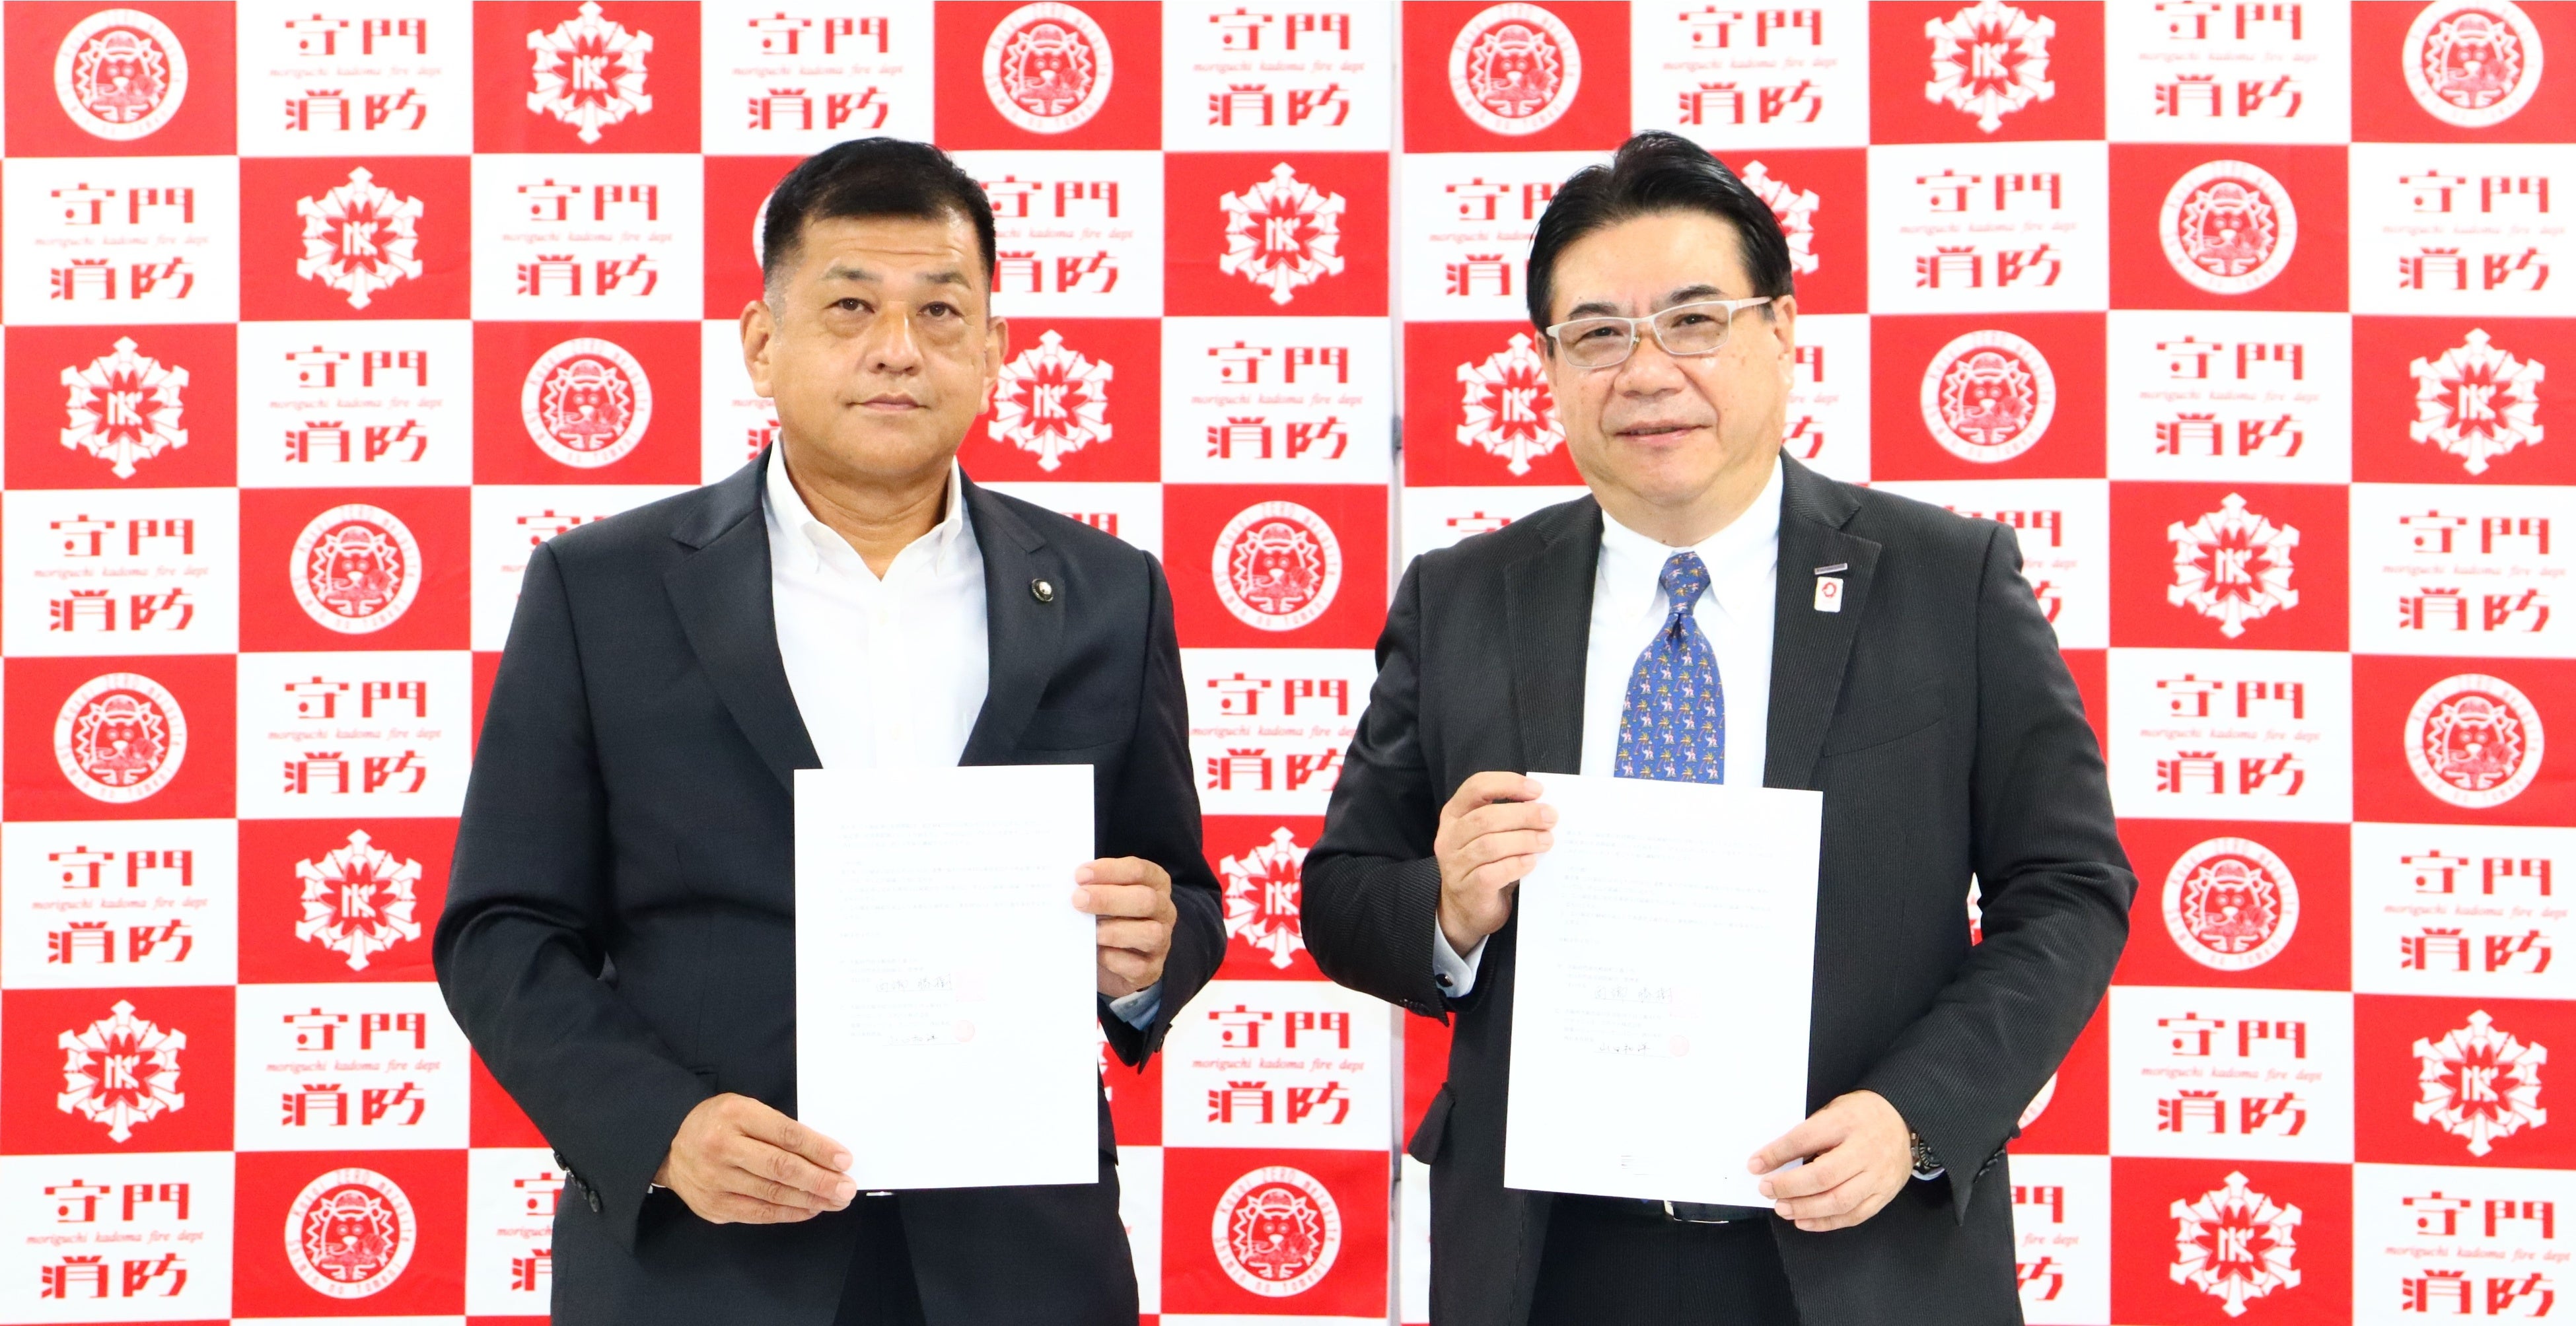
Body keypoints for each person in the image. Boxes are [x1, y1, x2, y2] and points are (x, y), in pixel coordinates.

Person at [1300, 131, 2134, 1326]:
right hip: (1547, 1258)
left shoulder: (1947, 582)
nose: (1647, 372)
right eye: (1598, 334)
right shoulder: (1462, 598)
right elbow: (1342, 895)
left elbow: (2067, 889)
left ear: (1782, 333)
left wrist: (1913, 1118)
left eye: (1694, 322)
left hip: (1857, 1247)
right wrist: (1447, 907)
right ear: (1548, 364)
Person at [435, 137, 1225, 1326]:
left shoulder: (1111, 594)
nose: (898, 348)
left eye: (941, 310)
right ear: (763, 342)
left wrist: (1150, 956)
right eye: (851, 306)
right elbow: (502, 930)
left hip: (1020, 1262)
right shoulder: (601, 590)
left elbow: (1181, 895)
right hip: (708, 1263)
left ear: (995, 351)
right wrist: (661, 1130)